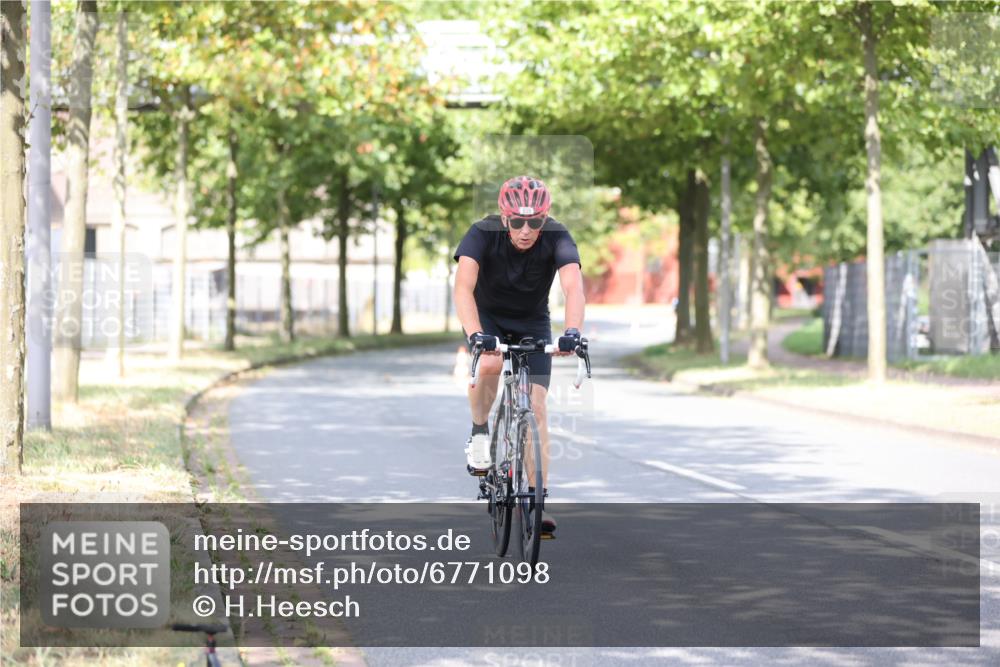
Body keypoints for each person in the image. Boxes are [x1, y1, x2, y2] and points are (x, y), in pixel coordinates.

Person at [452, 175, 586, 536]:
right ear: (504, 217)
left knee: (537, 406)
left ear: (545, 218)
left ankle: (536, 498)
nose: (526, 230)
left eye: (535, 222)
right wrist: (475, 333)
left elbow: (573, 287)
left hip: (532, 321)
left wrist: (572, 332)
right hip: (487, 319)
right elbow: (463, 287)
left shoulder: (557, 235)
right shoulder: (481, 233)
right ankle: (480, 431)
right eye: (517, 222)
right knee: (492, 363)